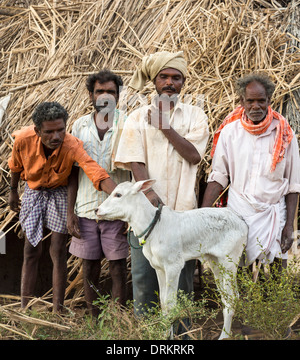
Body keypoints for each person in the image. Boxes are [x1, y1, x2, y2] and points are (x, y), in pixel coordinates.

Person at [114, 51, 209, 316]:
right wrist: (150, 194)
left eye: (176, 77)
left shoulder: (196, 116)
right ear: (154, 81)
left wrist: (164, 126)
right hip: (145, 215)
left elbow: (193, 155)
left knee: (182, 285)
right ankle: (146, 336)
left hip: (182, 217)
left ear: (183, 82)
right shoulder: (136, 117)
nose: (169, 82)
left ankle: (181, 339)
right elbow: (135, 160)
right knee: (144, 282)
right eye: (164, 77)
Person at [8, 101, 115, 312]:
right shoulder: (23, 139)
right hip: (34, 191)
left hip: (59, 192)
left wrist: (121, 195)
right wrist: (12, 190)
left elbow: (94, 171)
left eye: (60, 130)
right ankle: (24, 307)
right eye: (49, 132)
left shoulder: (72, 144)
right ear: (38, 130)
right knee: (30, 250)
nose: (56, 136)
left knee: (57, 250)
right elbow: (15, 165)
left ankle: (58, 308)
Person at [202, 73, 300, 269]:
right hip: (239, 211)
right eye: (251, 101)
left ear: (269, 100)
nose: (256, 106)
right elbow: (219, 176)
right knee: (238, 269)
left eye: (261, 101)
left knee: (275, 274)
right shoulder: (230, 133)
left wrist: (289, 225)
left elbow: (293, 185)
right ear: (242, 101)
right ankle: (242, 301)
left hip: (274, 214)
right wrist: (202, 214)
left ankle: (273, 302)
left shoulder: (285, 134)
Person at [67, 70, 130, 316]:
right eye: (100, 91)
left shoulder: (128, 124)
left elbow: (136, 169)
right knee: (89, 266)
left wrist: (130, 214)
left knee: (117, 267)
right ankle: (95, 318)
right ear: (90, 95)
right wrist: (71, 212)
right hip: (85, 209)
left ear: (118, 95)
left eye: (111, 92)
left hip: (117, 212)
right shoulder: (79, 126)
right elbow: (73, 172)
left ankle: (116, 319)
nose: (105, 96)